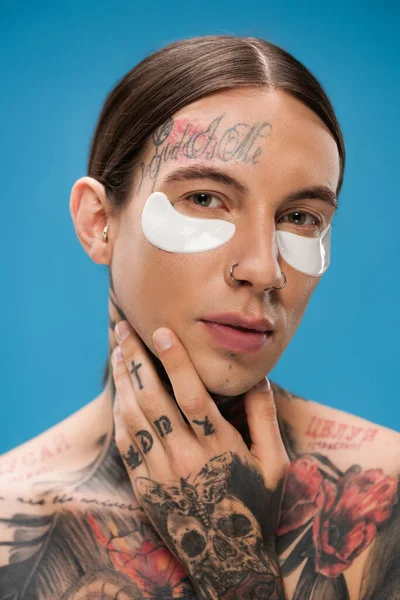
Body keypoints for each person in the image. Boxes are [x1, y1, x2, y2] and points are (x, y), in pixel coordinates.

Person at [0, 35, 398, 600]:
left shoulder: (385, 498)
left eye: (302, 216)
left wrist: (235, 569)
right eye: (206, 199)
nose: (264, 269)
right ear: (97, 222)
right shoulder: (11, 522)